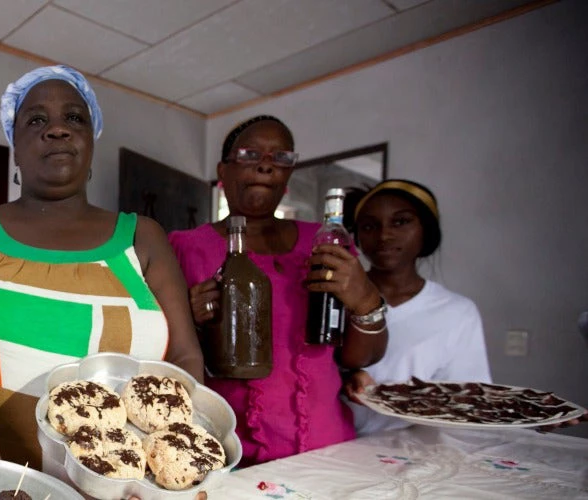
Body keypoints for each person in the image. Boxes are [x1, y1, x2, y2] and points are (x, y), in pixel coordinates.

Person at [0, 65, 204, 468]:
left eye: (74, 118)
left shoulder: (143, 238)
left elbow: (186, 359)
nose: (57, 129)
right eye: (36, 120)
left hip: (123, 489)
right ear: (14, 146)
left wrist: (161, 465)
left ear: (91, 140)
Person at [168, 115, 388, 466]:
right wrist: (190, 323)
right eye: (250, 154)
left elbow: (357, 358)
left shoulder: (324, 242)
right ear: (222, 172)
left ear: (288, 174)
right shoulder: (185, 247)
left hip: (329, 447)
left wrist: (365, 299)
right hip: (231, 450)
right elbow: (164, 355)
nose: (266, 167)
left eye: (280, 158)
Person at [340, 180, 486, 433]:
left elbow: (470, 400)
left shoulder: (457, 312)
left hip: (412, 452)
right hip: (328, 448)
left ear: (426, 230)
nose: (384, 235)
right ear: (357, 238)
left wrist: (538, 416)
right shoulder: (334, 298)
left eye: (401, 222)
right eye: (369, 226)